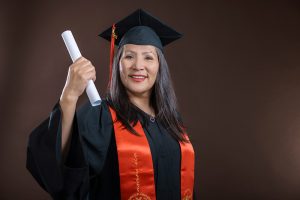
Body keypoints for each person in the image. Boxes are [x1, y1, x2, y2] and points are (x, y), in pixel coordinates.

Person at [27, 9, 195, 200]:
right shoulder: (101, 116)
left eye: (148, 57)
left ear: (159, 66)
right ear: (118, 64)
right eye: (129, 56)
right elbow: (58, 163)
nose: (138, 65)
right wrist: (69, 95)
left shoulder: (171, 121)